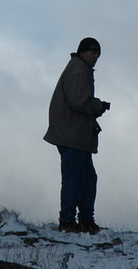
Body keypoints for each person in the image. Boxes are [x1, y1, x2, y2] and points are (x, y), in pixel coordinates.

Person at [43, 37, 110, 233]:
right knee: (75, 179)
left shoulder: (78, 68)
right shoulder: (79, 70)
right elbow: (78, 101)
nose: (96, 57)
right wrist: (98, 106)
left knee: (87, 178)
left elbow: (77, 100)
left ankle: (84, 220)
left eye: (98, 53)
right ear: (83, 52)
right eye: (93, 52)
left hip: (75, 135)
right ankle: (68, 222)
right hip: (72, 135)